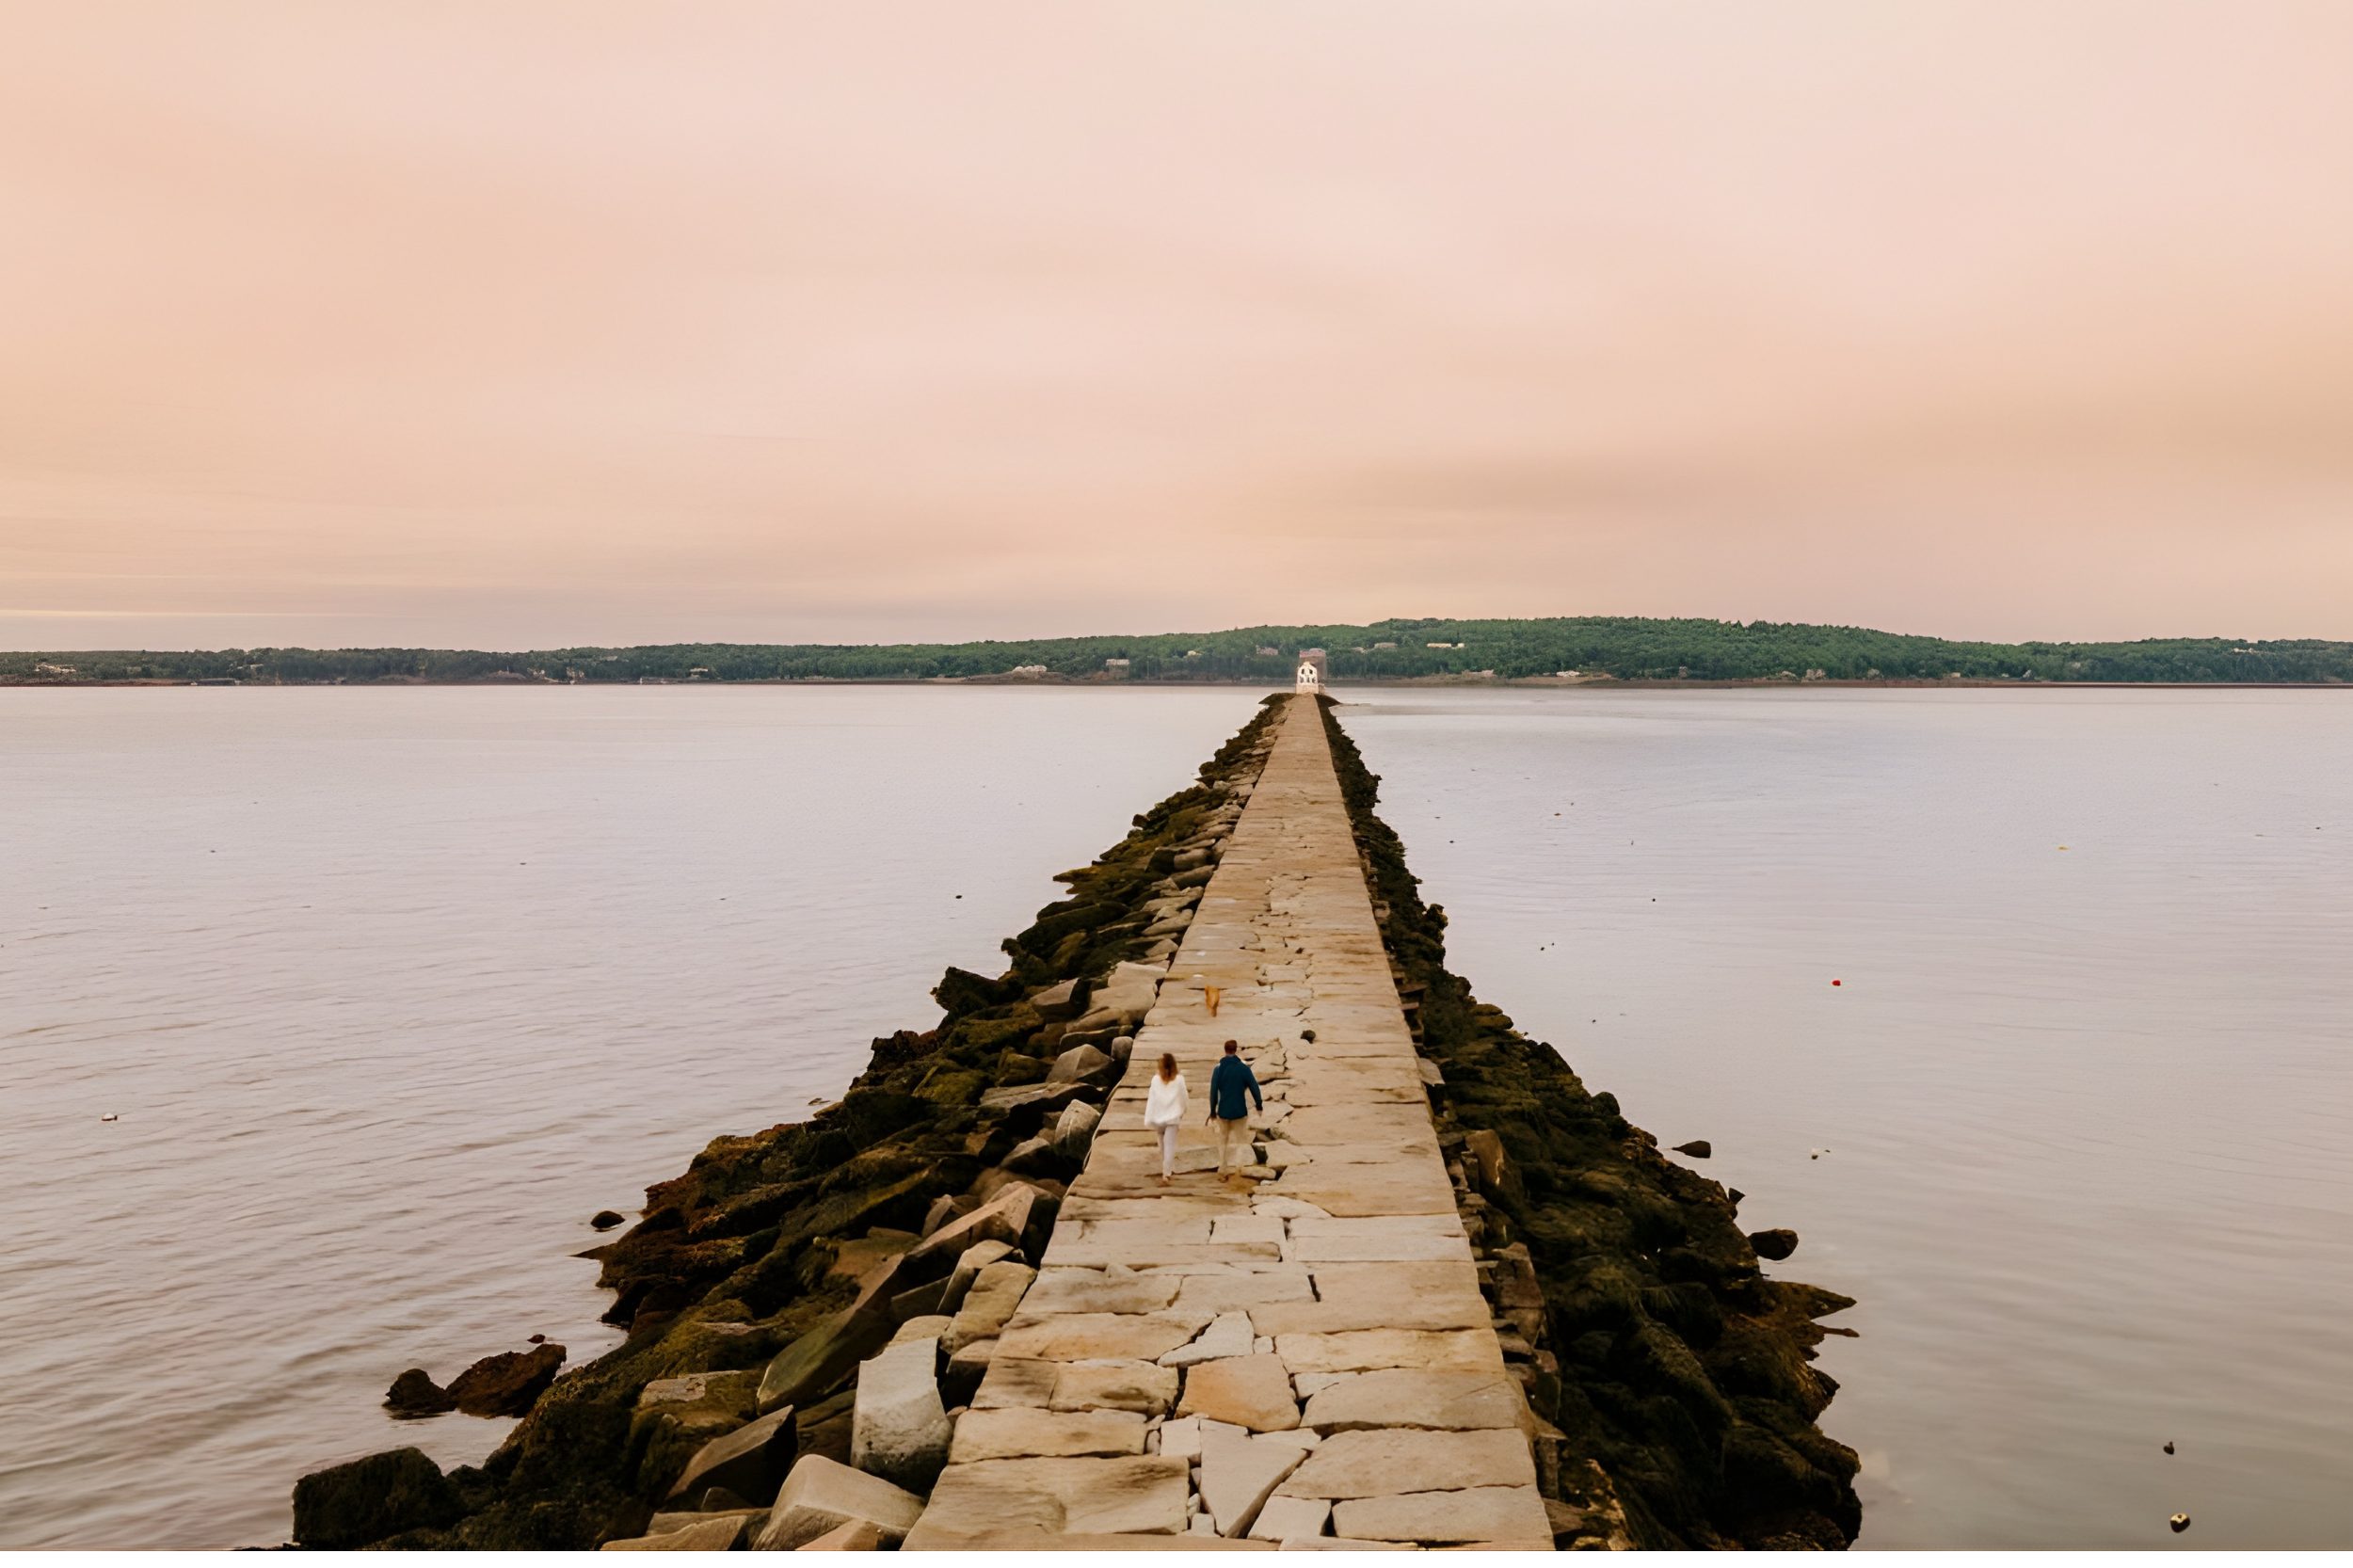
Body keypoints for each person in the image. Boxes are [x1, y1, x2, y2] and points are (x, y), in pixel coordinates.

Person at [1205, 1039, 1262, 1180]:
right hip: (1240, 1112)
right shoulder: (1243, 1068)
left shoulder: (1218, 1068)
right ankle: (1238, 1168)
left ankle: (1222, 1168)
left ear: (1225, 1050)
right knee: (1240, 1141)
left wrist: (1212, 1110)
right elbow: (1254, 1087)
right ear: (1235, 1050)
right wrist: (1259, 1104)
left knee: (1223, 1140)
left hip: (1223, 1111)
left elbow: (1213, 1092)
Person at [1144, 1052, 1190, 1186]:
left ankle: (1166, 1166)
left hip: (1158, 1117)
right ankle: (1166, 1173)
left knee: (1162, 1145)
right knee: (1169, 1145)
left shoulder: (1155, 1080)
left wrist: (1149, 1115)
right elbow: (1184, 1097)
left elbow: (1151, 1099)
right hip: (1173, 1117)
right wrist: (1184, 1110)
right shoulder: (1179, 1080)